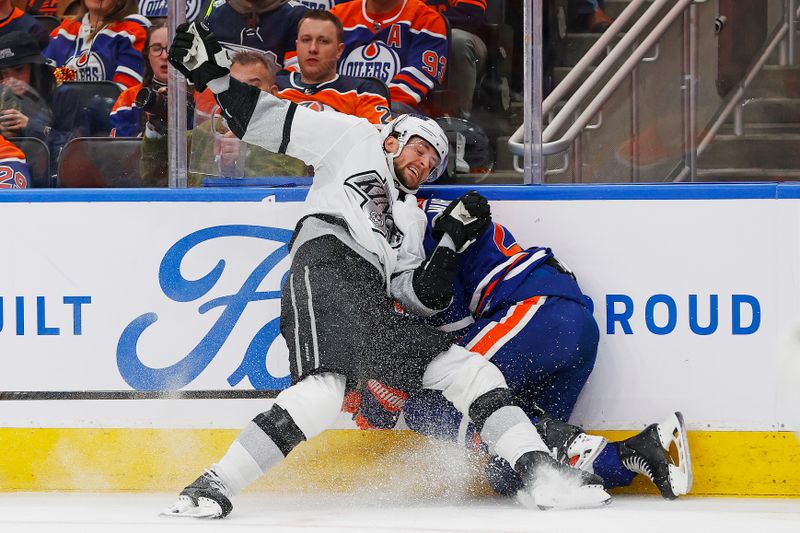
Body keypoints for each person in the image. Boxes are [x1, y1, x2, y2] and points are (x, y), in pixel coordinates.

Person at [163, 20, 609, 518]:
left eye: (435, 162)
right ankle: (211, 484)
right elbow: (270, 121)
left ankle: (541, 474)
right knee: (324, 393)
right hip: (327, 263)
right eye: (420, 148)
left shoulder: (415, 220)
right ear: (394, 139)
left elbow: (416, 297)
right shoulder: (353, 137)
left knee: (470, 372)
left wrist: (450, 250)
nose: (425, 162)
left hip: (374, 301)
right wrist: (213, 76)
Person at [397, 199, 692, 500]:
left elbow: (448, 337)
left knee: (431, 402)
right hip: (569, 323)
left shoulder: (413, 221)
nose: (423, 163)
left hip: (535, 311)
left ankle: (556, 438)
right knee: (509, 474)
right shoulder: (419, 212)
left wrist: (382, 387)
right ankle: (638, 451)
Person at [276, 9, 391, 125]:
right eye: (306, 40)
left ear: (339, 50)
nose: (312, 48)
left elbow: (378, 138)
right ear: (297, 46)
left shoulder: (363, 92)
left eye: (323, 41)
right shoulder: (274, 87)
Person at [331, 0, 447, 114]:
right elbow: (319, 68)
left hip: (398, 112)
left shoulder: (427, 20)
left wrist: (366, 105)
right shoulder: (336, 16)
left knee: (392, 110)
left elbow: (415, 80)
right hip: (339, 105)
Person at [0, 31, 83, 177]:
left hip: (53, 181)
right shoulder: (3, 96)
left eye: (19, 70)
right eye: (4, 73)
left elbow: (75, 150)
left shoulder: (65, 95)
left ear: (35, 67)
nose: (11, 80)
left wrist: (30, 126)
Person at [43, 0, 149, 90]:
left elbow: (125, 94)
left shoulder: (132, 34)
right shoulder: (62, 32)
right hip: (64, 111)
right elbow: (47, 81)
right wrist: (72, 77)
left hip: (109, 112)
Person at [424, 0, 486, 119]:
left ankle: (458, 121)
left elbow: (471, 14)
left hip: (462, 38)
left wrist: (427, 23)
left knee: (458, 40)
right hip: (421, 38)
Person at [206, 0, 308, 70]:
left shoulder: (297, 16)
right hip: (215, 96)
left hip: (270, 98)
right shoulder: (214, 11)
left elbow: (296, 75)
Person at [109, 20, 167, 137]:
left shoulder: (200, 96)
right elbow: (120, 153)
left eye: (172, 48)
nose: (165, 56)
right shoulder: (129, 98)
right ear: (147, 55)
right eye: (156, 49)